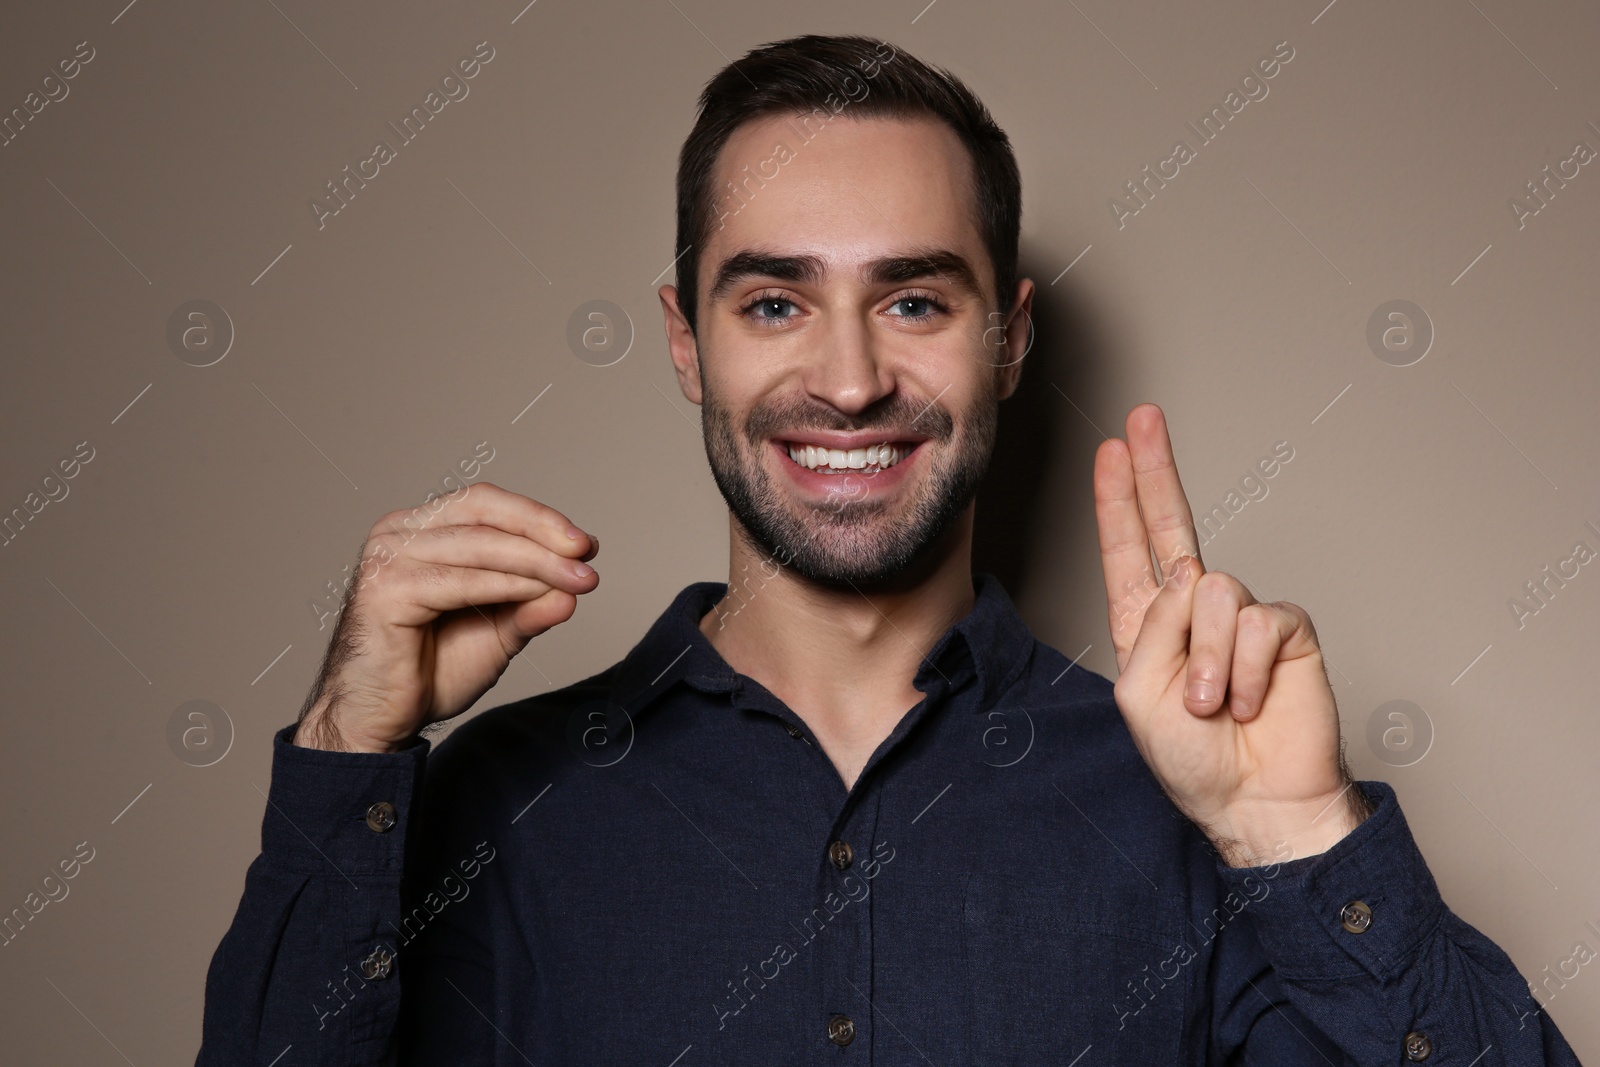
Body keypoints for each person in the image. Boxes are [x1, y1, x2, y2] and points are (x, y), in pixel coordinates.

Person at [197, 33, 1579, 1065]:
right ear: (687, 341)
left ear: (1011, 338)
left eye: (914, 300)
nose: (848, 380)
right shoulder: (504, 800)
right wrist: (343, 753)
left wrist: (1297, 836)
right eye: (776, 303)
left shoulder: (1187, 814)